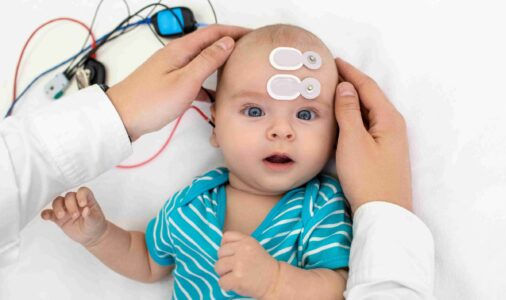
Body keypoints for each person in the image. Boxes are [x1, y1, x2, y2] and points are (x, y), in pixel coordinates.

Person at [0, 23, 435, 298]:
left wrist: (276, 283)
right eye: (253, 111)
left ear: (338, 135)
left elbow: (340, 286)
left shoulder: (319, 207)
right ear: (214, 127)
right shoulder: (191, 203)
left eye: (305, 115)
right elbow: (150, 261)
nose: (280, 130)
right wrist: (98, 236)